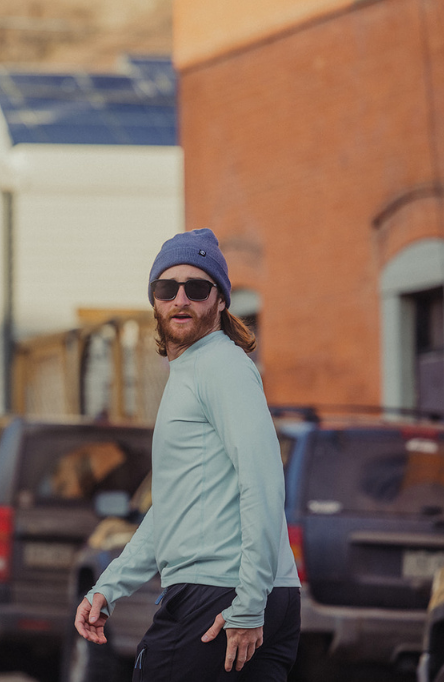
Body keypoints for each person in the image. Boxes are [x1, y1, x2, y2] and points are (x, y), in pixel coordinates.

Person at [74, 228, 301, 681]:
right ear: (154, 300)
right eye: (167, 287)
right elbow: (173, 509)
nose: (181, 298)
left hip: (219, 594)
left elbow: (263, 480)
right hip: (244, 594)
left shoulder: (221, 366)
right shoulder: (192, 371)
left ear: (219, 301)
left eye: (197, 288)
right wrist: (111, 586)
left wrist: (248, 603)